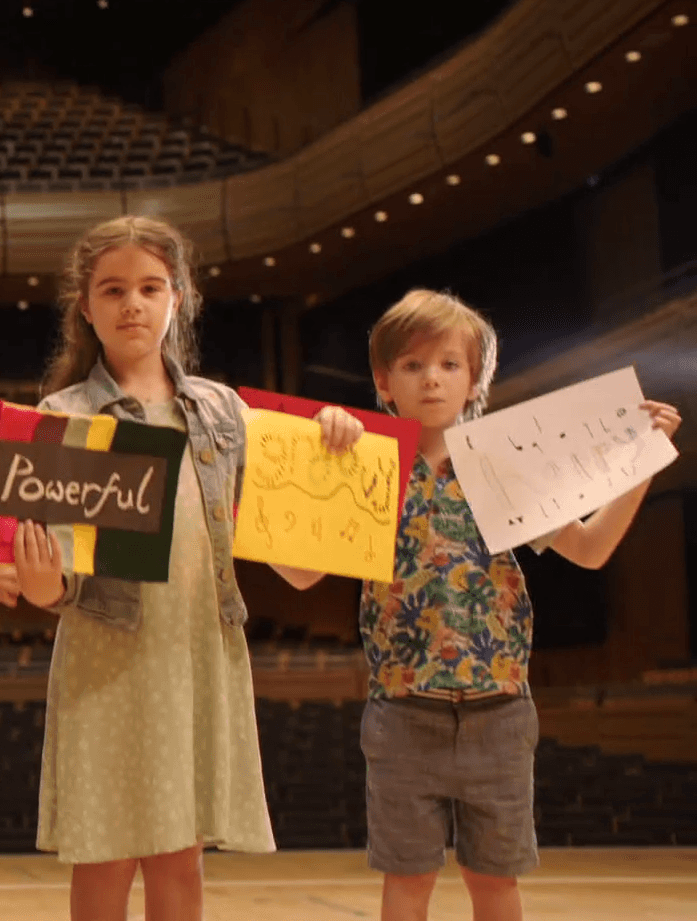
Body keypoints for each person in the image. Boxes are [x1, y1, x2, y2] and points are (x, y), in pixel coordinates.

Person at [283, 288, 682, 921]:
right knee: (407, 884)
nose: (432, 379)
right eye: (412, 366)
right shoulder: (365, 465)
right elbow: (300, 573)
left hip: (499, 708)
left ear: (475, 382)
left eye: (448, 364)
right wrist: (264, 492)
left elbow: (590, 548)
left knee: (494, 884)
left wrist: (641, 464)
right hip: (401, 711)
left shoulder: (504, 466)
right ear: (384, 382)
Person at [11, 215, 362, 921]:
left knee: (181, 859)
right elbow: (53, 588)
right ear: (86, 305)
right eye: (112, 290)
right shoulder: (62, 415)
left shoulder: (225, 411)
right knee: (105, 854)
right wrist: (36, 575)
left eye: (149, 286)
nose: (132, 303)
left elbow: (298, 570)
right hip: (104, 658)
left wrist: (332, 454)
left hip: (197, 651)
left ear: (180, 295)